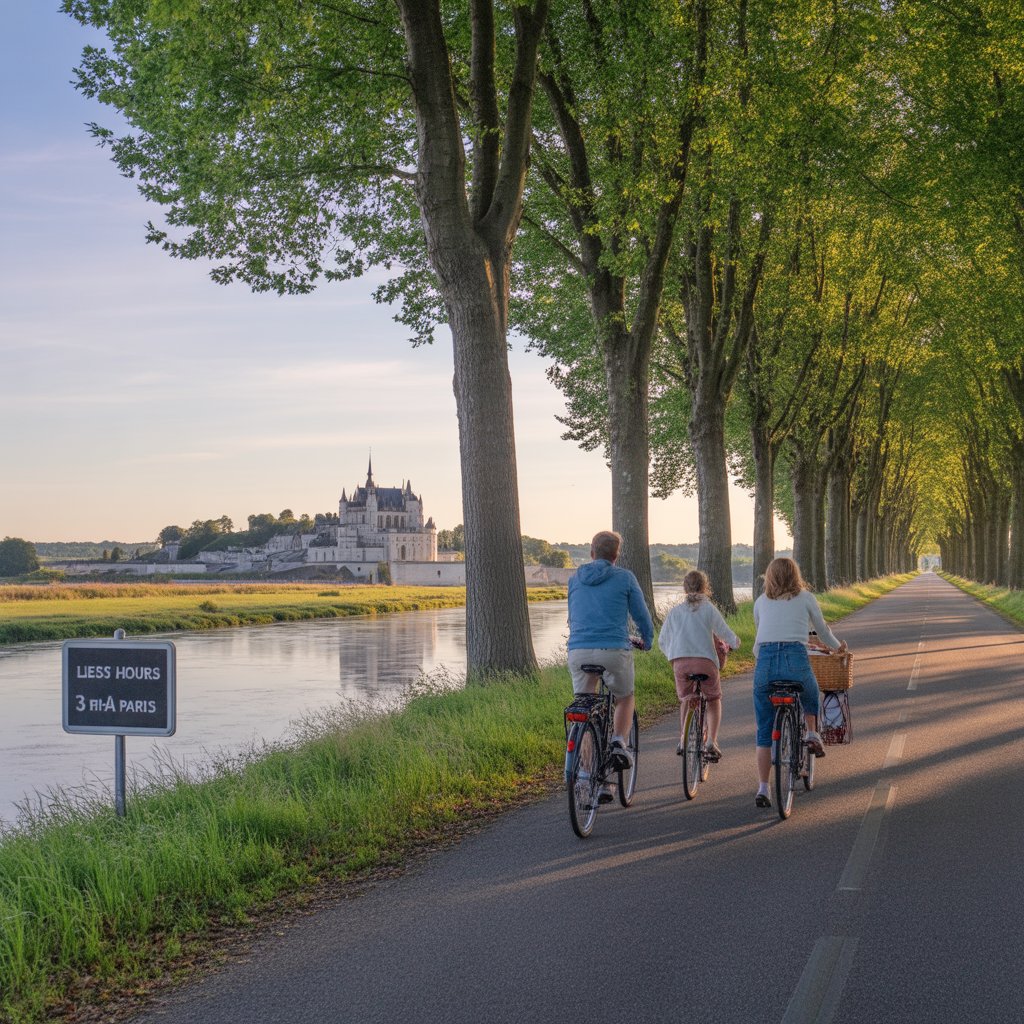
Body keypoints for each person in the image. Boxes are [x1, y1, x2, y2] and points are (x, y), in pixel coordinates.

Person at [751, 557, 846, 808]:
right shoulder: (806, 598)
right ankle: (812, 733)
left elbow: (761, 635)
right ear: (796, 576)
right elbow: (822, 630)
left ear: (769, 577)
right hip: (795, 659)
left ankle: (763, 788)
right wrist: (837, 647)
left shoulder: (761, 602)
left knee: (763, 731)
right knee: (811, 691)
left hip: (766, 663)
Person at [567, 530, 655, 779]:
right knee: (625, 697)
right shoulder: (625, 578)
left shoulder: (574, 579)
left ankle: (585, 773)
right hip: (613, 650)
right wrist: (647, 641)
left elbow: (573, 616)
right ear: (616, 556)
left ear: (591, 552)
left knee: (583, 705)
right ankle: (618, 741)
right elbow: (642, 616)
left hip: (578, 650)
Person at [658, 569, 740, 761]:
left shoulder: (675, 611)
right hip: (705, 662)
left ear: (685, 588)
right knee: (713, 700)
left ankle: (682, 739)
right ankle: (711, 740)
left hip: (680, 663)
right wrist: (736, 643)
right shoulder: (709, 608)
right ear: (705, 587)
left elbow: (662, 640)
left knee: (687, 699)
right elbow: (723, 631)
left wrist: (673, 656)